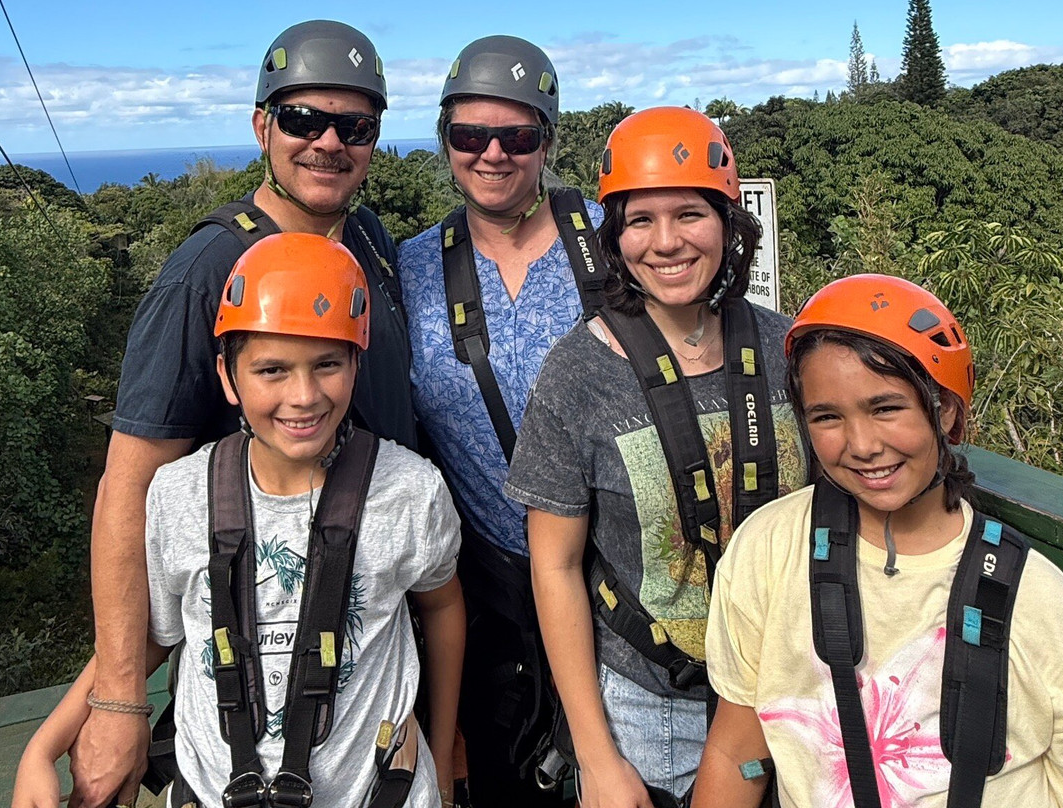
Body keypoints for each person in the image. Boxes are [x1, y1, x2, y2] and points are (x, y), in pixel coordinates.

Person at [74, 20, 415, 808]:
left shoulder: (366, 237)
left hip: (376, 643)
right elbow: (132, 488)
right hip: (259, 669)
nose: (328, 142)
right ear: (262, 126)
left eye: (354, 125)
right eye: (303, 120)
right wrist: (118, 698)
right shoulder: (207, 271)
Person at [14, 233, 465, 808]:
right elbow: (156, 632)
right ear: (228, 377)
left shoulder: (408, 492)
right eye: (272, 370)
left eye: (327, 363)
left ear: (357, 362)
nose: (303, 396)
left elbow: (443, 605)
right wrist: (44, 744)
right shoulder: (180, 497)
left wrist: (444, 749)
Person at [503, 106, 809, 808]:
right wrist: (597, 755)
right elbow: (554, 567)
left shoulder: (784, 349)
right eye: (640, 220)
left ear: (727, 223)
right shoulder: (578, 374)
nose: (666, 242)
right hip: (652, 706)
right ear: (614, 237)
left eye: (689, 214)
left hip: (790, 684)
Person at [695, 274, 1063, 807]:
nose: (863, 445)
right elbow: (738, 751)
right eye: (827, 417)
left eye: (886, 408)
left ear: (945, 409)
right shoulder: (769, 549)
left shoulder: (1038, 599)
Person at [396, 35, 604, 807]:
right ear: (444, 141)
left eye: (517, 137)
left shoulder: (613, 244)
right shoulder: (412, 266)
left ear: (547, 141)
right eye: (468, 136)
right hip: (486, 599)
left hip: (618, 581)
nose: (492, 155)